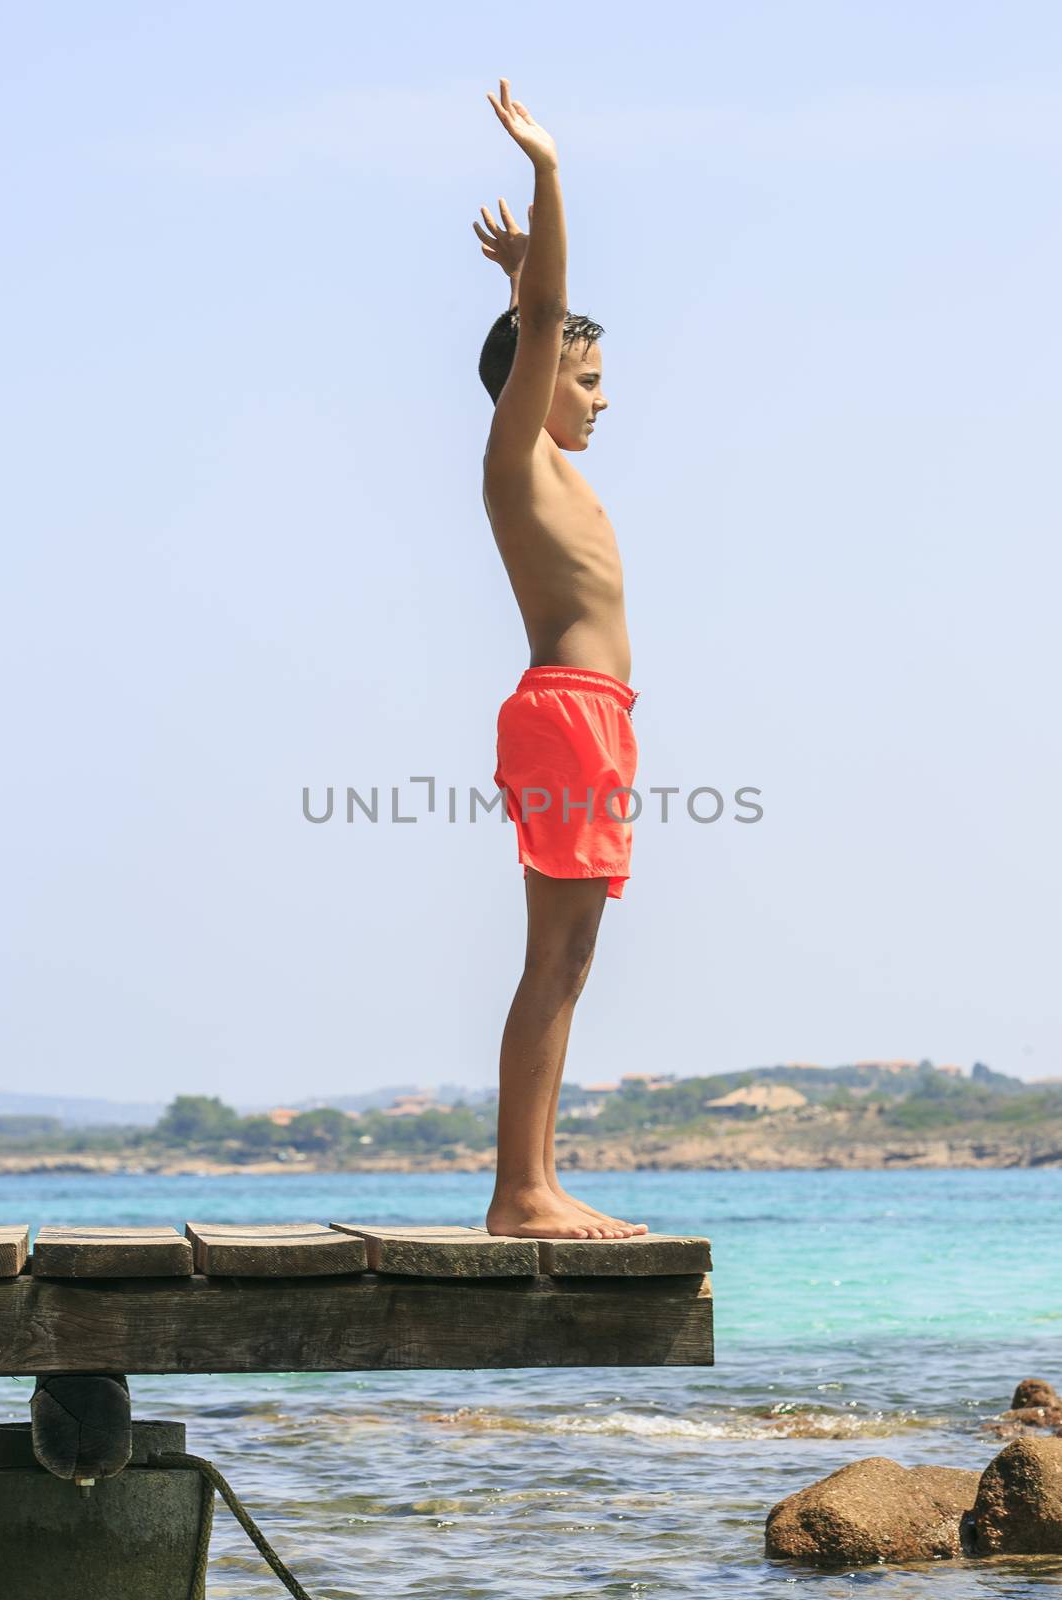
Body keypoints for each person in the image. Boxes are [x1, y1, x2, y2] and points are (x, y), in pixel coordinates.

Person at [474, 79, 647, 1241]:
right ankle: (518, 1192)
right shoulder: (517, 461)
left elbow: (529, 329)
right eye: (583, 381)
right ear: (534, 391)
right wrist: (548, 171)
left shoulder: (549, 468)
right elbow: (536, 336)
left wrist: (515, 279)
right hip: (567, 713)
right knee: (555, 957)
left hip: (596, 716)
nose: (598, 398)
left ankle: (529, 1183)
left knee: (571, 957)